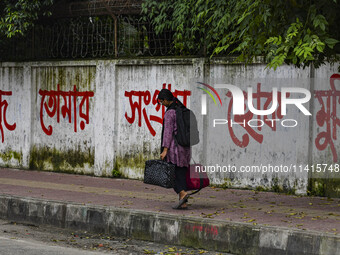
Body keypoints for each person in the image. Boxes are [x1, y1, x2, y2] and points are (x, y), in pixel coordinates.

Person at [157, 89, 191, 209]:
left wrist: (165, 150)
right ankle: (183, 202)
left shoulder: (170, 113)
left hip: (174, 149)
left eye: (161, 102)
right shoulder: (181, 108)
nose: (162, 104)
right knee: (181, 173)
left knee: (172, 175)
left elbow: (167, 133)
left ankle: (182, 193)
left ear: (166, 100)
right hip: (185, 148)